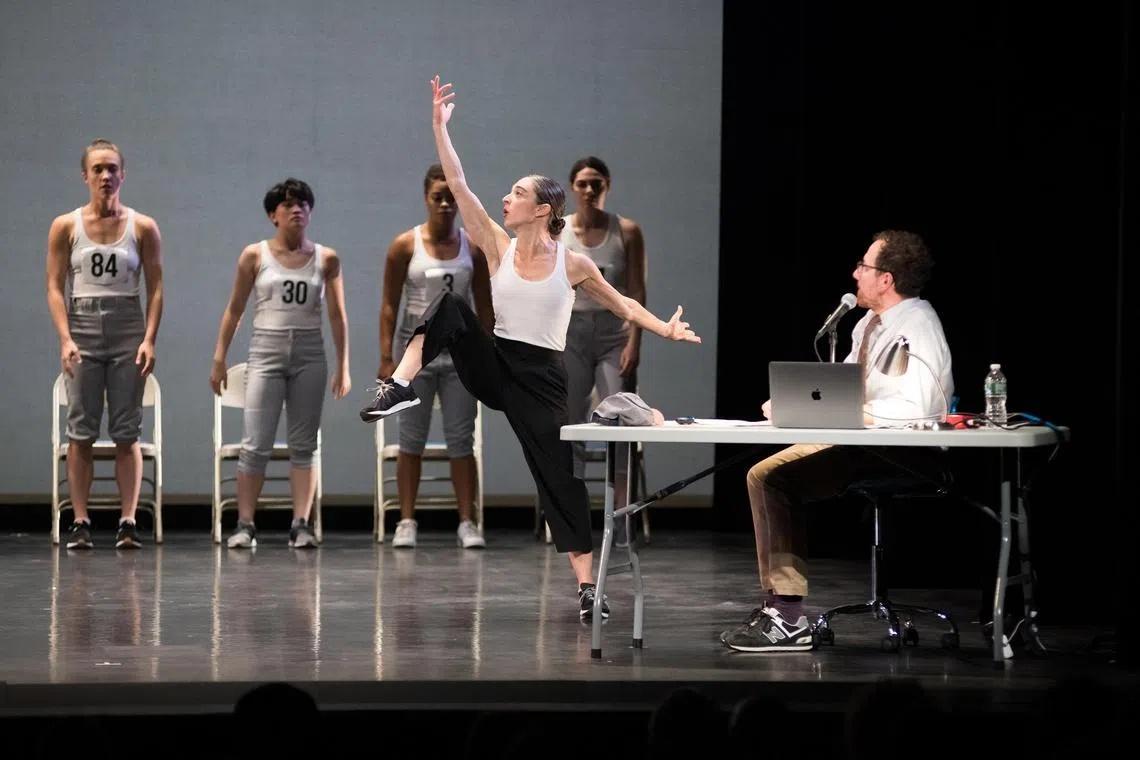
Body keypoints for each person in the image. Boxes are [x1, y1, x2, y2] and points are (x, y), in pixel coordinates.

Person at [360, 76, 701, 619]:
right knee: (450, 308)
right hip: (496, 361)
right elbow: (459, 182)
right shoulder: (495, 244)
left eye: (517, 193)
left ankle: (588, 587)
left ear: (542, 208)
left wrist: (664, 328)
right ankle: (400, 385)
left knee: (558, 478)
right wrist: (438, 127)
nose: (507, 198)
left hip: (541, 379)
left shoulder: (572, 263)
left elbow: (622, 305)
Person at [721, 230, 953, 652]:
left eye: (863, 266)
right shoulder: (868, 323)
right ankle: (778, 606)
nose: (855, 273)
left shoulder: (918, 325)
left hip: (899, 452)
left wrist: (853, 415)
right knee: (762, 474)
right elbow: (841, 388)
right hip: (860, 443)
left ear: (886, 279)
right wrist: (799, 405)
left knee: (775, 477)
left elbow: (917, 409)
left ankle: (789, 617)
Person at [210, 178, 351, 550]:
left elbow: (337, 316)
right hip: (266, 353)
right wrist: (219, 357)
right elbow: (234, 310)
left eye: (303, 203)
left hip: (309, 354)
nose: (296, 209)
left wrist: (344, 365)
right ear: (273, 215)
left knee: (304, 444)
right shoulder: (255, 256)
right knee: (255, 443)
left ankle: (301, 523)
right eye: (288, 204)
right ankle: (244, 523)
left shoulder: (326, 258)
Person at [46, 138, 164, 550]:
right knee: (80, 430)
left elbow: (156, 285)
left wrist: (149, 338)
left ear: (123, 174)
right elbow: (54, 286)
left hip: (127, 327)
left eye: (112, 168)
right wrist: (65, 337)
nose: (105, 176)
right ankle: (80, 521)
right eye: (97, 169)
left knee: (126, 430)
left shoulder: (142, 226)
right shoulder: (66, 226)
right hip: (82, 327)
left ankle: (128, 520)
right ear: (85, 176)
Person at [378, 164, 494, 549]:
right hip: (415, 356)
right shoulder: (404, 246)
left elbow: (485, 307)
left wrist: (490, 352)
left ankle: (466, 521)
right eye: (437, 197)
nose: (445, 204)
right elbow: (389, 307)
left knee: (462, 439)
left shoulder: (471, 249)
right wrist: (385, 357)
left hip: (459, 356)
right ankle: (406, 520)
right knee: (411, 438)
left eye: (451, 198)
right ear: (426, 199)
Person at [559, 156, 647, 479]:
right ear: (572, 187)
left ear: (607, 187)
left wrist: (634, 342)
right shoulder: (560, 231)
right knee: (569, 420)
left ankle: (620, 520)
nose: (589, 189)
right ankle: (570, 519)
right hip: (571, 335)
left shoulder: (626, 231)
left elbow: (637, 291)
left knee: (619, 417)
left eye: (597, 183)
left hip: (614, 335)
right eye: (582, 183)